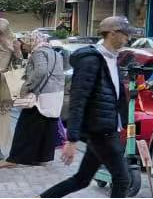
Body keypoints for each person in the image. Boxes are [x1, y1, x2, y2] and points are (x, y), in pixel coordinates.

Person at [40, 16, 136, 199]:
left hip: (106, 128)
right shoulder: (92, 60)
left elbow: (113, 94)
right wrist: (72, 139)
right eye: (125, 34)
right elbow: (78, 99)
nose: (128, 39)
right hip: (101, 131)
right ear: (112, 33)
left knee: (82, 179)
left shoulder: (112, 58)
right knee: (122, 180)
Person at [10, 32, 63, 165]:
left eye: (24, 43)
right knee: (46, 125)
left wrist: (27, 86)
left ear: (30, 41)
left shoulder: (39, 52)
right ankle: (41, 157)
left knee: (25, 125)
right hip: (55, 94)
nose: (23, 46)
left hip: (41, 94)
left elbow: (41, 71)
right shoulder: (55, 53)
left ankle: (16, 159)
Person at [0, 19, 22, 159]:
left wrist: (16, 51)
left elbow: (18, 66)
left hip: (4, 86)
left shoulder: (13, 44)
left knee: (3, 119)